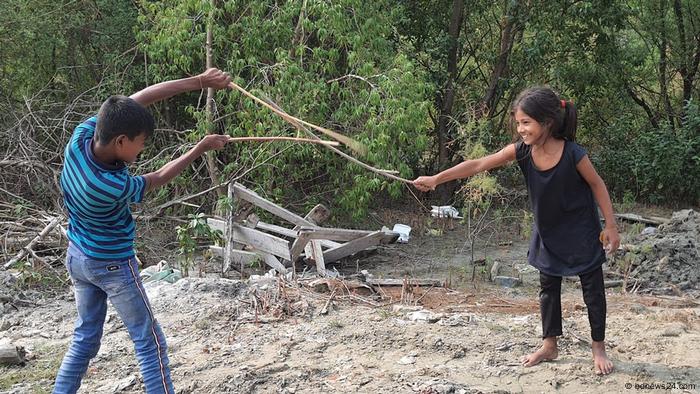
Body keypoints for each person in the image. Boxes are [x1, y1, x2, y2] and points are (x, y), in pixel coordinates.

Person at [413, 86, 620, 375]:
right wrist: (437, 178)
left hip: (582, 231)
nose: (520, 129)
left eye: (526, 123)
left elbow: (598, 185)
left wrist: (610, 226)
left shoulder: (573, 154)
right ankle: (550, 345)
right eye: (518, 123)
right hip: (548, 232)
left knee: (593, 291)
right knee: (548, 289)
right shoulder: (521, 151)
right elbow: (479, 164)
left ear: (546, 122)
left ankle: (598, 347)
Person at [53, 68, 232, 393]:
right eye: (140, 144)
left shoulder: (81, 139)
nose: (141, 150)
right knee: (149, 342)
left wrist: (200, 82)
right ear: (121, 141)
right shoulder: (110, 185)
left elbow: (140, 99)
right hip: (112, 266)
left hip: (78, 257)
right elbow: (158, 178)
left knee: (84, 338)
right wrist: (201, 147)